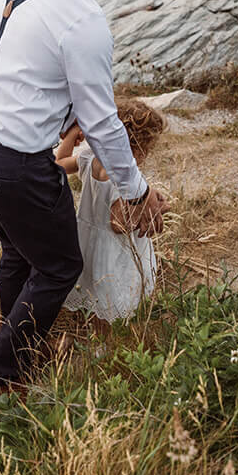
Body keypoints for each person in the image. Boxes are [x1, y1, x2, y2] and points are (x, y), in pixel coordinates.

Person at [0, 0, 169, 391]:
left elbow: (25, 70)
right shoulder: (81, 15)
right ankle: (3, 378)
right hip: (12, 160)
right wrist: (137, 191)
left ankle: (22, 348)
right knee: (60, 266)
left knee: (18, 251)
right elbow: (103, 120)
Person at [55, 98, 166, 323]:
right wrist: (155, 208)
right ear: (138, 148)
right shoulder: (125, 179)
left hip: (86, 239)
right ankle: (104, 340)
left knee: (91, 286)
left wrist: (73, 130)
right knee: (109, 295)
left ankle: (90, 327)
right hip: (112, 250)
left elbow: (59, 163)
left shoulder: (90, 157)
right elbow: (118, 224)